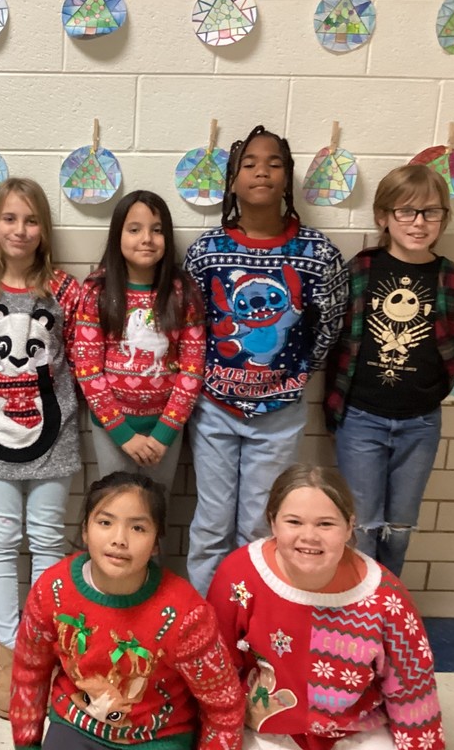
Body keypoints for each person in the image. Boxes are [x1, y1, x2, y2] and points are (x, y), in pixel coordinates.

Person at [183, 125, 348, 596]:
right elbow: (189, 327)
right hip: (214, 410)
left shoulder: (317, 253)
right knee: (211, 524)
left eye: (273, 163)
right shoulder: (206, 253)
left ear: (288, 178)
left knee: (259, 526)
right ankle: (204, 623)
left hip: (280, 415)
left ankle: (247, 620)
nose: (262, 171)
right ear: (232, 180)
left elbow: (329, 327)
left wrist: (292, 378)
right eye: (249, 164)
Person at [207, 464, 444, 750]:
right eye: (294, 522)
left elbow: (411, 689)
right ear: (273, 522)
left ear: (349, 527)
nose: (309, 536)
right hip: (266, 727)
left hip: (353, 729)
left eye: (326, 524)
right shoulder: (238, 574)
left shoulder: (385, 596)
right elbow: (216, 671)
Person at [10, 471, 245, 750]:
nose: (119, 539)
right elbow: (29, 672)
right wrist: (27, 745)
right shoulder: (52, 590)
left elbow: (224, 704)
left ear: (156, 542)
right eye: (105, 522)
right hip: (76, 725)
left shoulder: (185, 614)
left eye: (138, 528)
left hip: (158, 738)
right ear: (85, 529)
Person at [324, 164, 454, 576]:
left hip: (420, 422)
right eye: (406, 212)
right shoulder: (361, 270)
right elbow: (336, 338)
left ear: (444, 217)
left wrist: (429, 390)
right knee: (363, 524)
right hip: (361, 418)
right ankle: (360, 608)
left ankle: (391, 605)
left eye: (431, 212)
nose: (418, 222)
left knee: (400, 527)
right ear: (383, 217)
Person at [0, 178, 81, 719]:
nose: (20, 229)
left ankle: (41, 650)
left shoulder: (64, 291)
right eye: (10, 219)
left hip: (54, 440)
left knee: (46, 542)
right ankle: (8, 652)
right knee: (1, 539)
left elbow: (86, 357)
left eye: (31, 220)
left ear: (44, 230)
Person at [73, 189, 205, 495]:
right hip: (112, 429)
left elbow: (192, 370)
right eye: (134, 229)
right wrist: (122, 433)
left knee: (155, 511)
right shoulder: (97, 290)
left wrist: (164, 432)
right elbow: (88, 370)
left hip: (165, 428)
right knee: (116, 504)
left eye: (157, 230)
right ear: (117, 235)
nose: (146, 238)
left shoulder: (183, 291)